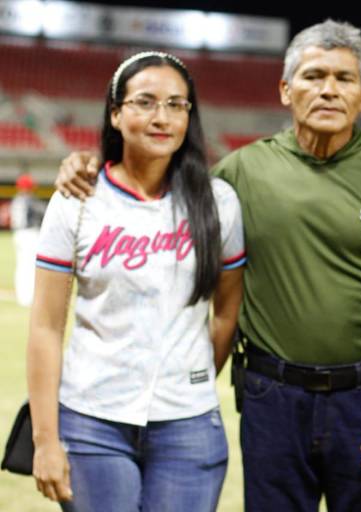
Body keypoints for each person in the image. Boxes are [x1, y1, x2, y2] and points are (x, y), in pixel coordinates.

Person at [54, 20, 361, 512]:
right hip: (271, 398)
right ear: (285, 89)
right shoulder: (239, 173)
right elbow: (151, 180)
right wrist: (89, 164)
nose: (328, 89)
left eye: (345, 79)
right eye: (313, 75)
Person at [28, 51, 245, 512]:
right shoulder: (77, 199)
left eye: (176, 104)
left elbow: (227, 311)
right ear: (115, 112)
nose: (161, 117)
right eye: (145, 102)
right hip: (91, 422)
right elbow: (46, 327)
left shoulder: (218, 201)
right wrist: (46, 440)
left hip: (188, 425)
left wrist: (192, 377)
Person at [10, 172, 46, 306]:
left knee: (21, 265)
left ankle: (22, 296)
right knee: (30, 266)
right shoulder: (29, 200)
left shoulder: (16, 199)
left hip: (18, 234)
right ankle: (28, 297)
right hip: (30, 234)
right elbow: (44, 212)